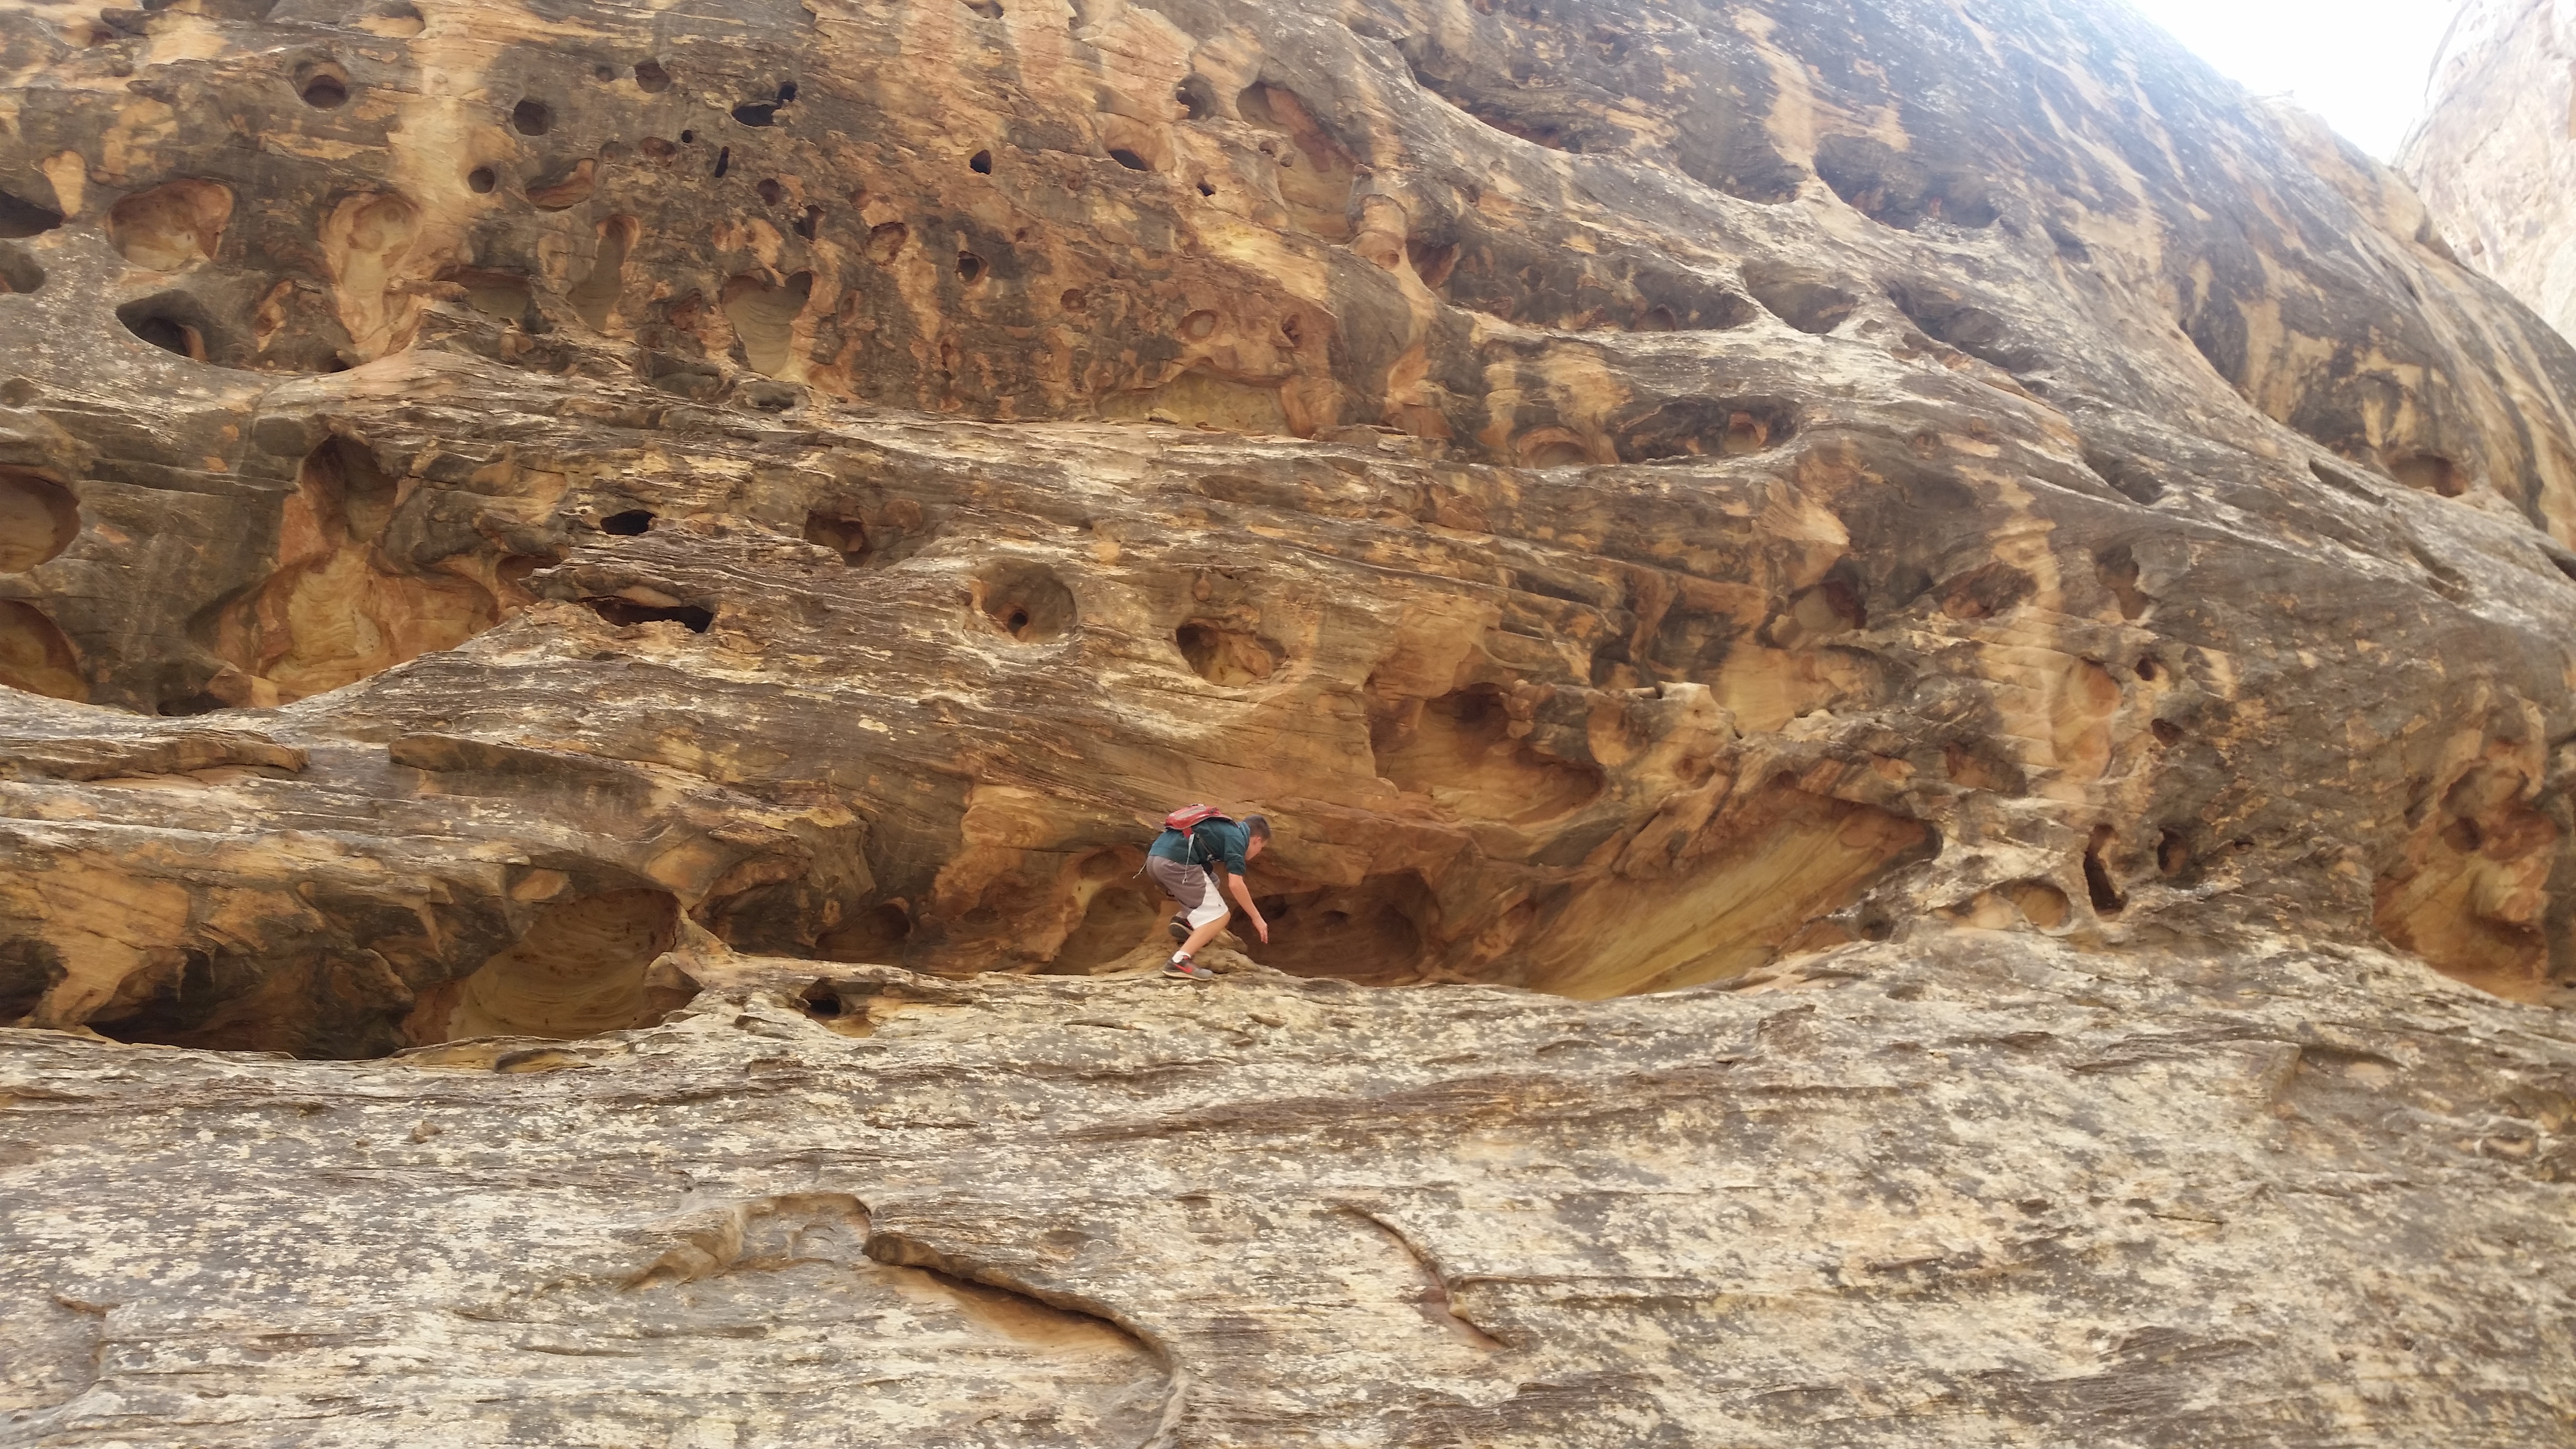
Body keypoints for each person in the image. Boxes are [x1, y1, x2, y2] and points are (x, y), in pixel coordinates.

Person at [1146, 811, 1270, 980]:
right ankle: (1179, 962)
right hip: (1175, 863)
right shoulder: (1237, 839)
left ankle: (1186, 922)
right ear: (1257, 840)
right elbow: (1236, 884)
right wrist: (1256, 917)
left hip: (1155, 861)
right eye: (1261, 848)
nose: (1258, 852)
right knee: (1219, 916)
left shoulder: (1226, 828)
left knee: (1212, 881)